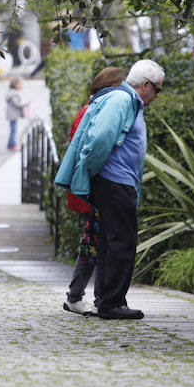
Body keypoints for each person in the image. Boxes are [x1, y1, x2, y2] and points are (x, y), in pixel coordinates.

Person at [55, 59, 165, 320]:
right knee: (121, 242)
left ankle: (108, 299)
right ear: (146, 85)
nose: (156, 96)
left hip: (116, 181)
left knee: (110, 241)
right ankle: (112, 303)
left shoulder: (126, 101)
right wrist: (94, 173)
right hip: (115, 181)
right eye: (157, 90)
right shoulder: (122, 100)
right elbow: (101, 138)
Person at [60, 66, 127, 316]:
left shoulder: (91, 109)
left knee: (93, 242)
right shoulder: (95, 111)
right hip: (96, 188)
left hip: (92, 187)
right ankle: (77, 295)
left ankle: (82, 295)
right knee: (93, 243)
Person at [5, 77, 30, 151]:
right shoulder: (13, 94)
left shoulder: (11, 93)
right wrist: (26, 104)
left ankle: (11, 144)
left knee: (13, 130)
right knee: (13, 131)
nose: (21, 86)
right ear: (16, 84)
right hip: (13, 116)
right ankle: (12, 145)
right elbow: (17, 104)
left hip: (12, 115)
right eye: (20, 84)